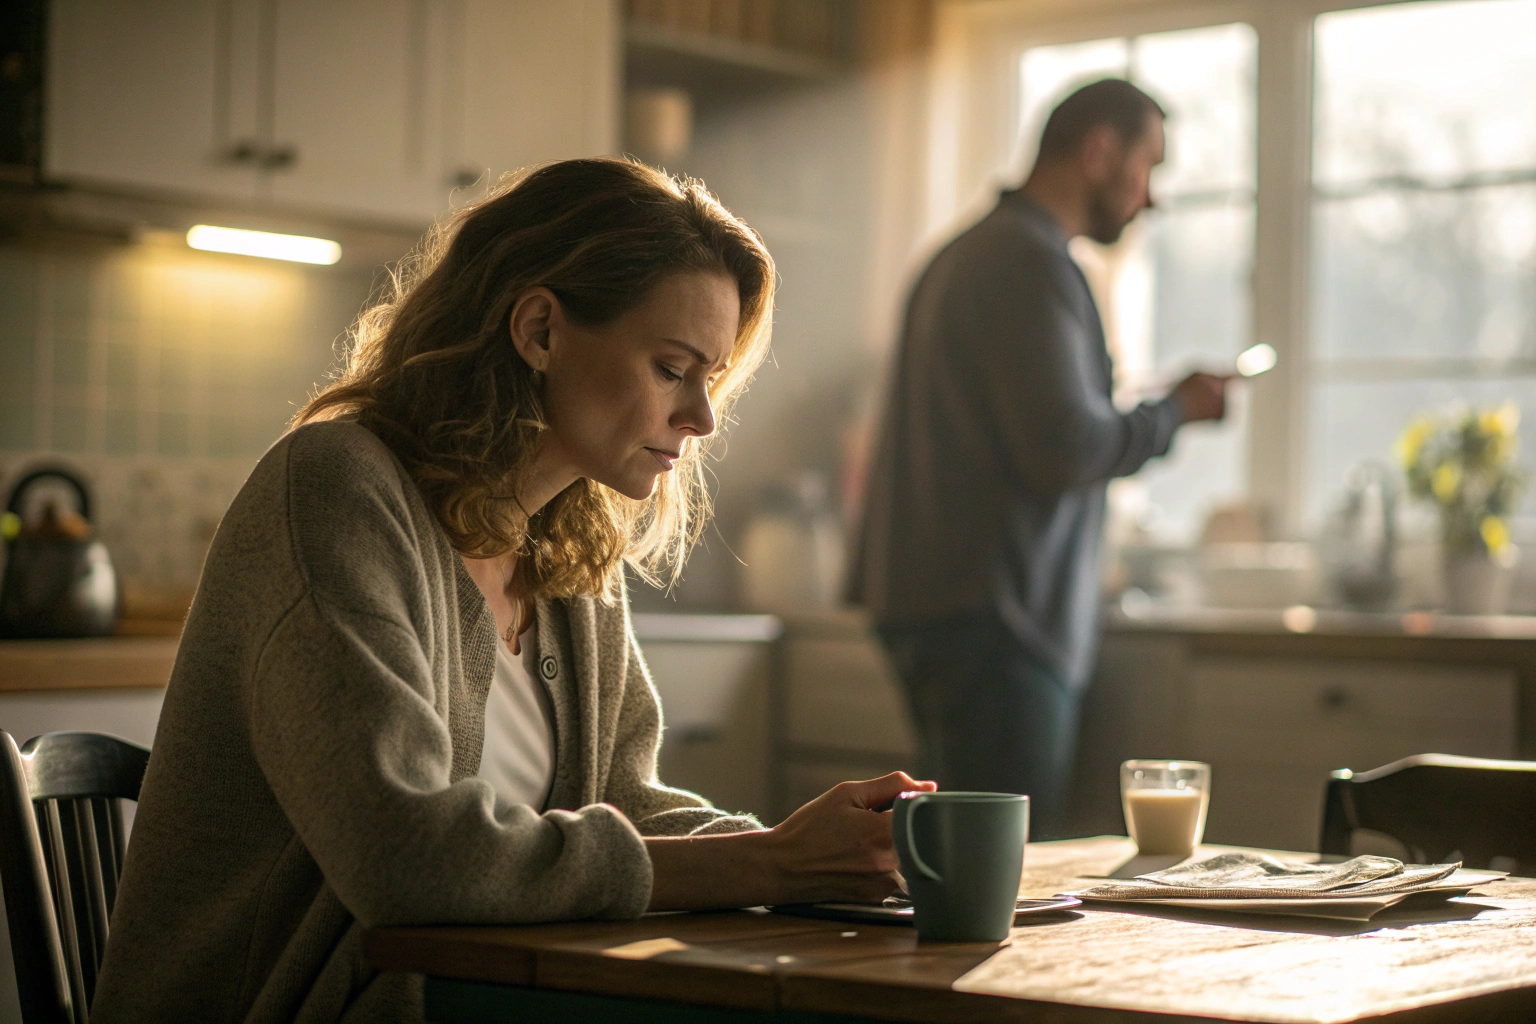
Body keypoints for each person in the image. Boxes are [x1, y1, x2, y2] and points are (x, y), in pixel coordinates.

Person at [93, 158, 933, 1023]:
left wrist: (813, 855)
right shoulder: (332, 490)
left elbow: (621, 805)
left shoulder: (569, 551)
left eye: (710, 380)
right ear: (538, 330)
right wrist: (770, 866)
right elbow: (404, 857)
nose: (702, 419)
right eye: (672, 368)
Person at [850, 79, 1229, 839]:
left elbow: (1029, 424)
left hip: (939, 605)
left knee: (955, 862)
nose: (1150, 198)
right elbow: (1064, 448)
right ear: (1098, 151)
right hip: (1001, 619)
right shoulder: (1030, 263)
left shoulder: (963, 253)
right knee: (998, 877)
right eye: (1146, 166)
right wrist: (1176, 411)